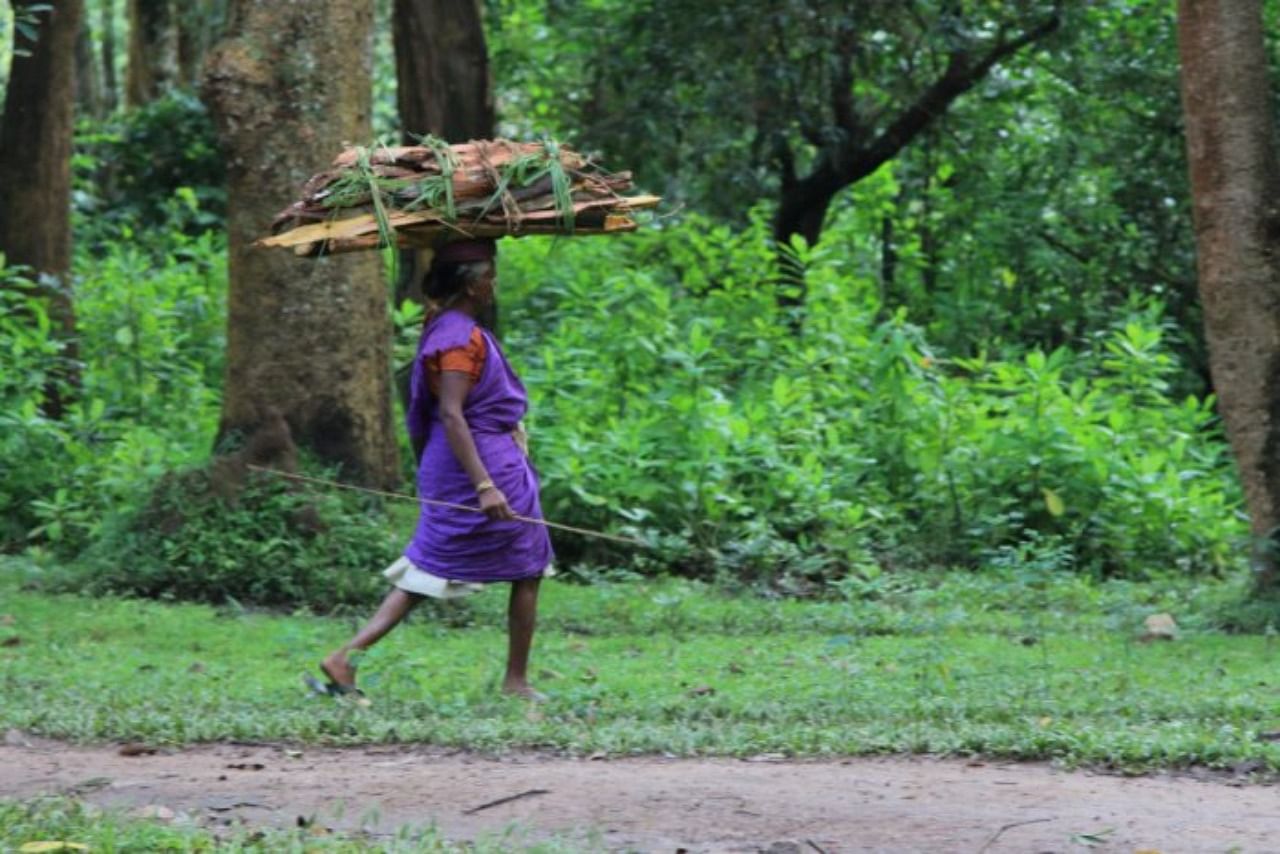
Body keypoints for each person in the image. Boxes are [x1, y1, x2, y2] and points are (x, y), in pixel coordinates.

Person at [315, 239, 553, 700]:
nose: (493, 285)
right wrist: (485, 484)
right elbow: (451, 413)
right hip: (479, 466)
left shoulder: (443, 326)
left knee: (431, 568)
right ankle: (515, 682)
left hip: (461, 464)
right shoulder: (460, 338)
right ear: (472, 284)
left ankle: (346, 658)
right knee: (526, 565)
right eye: (489, 276)